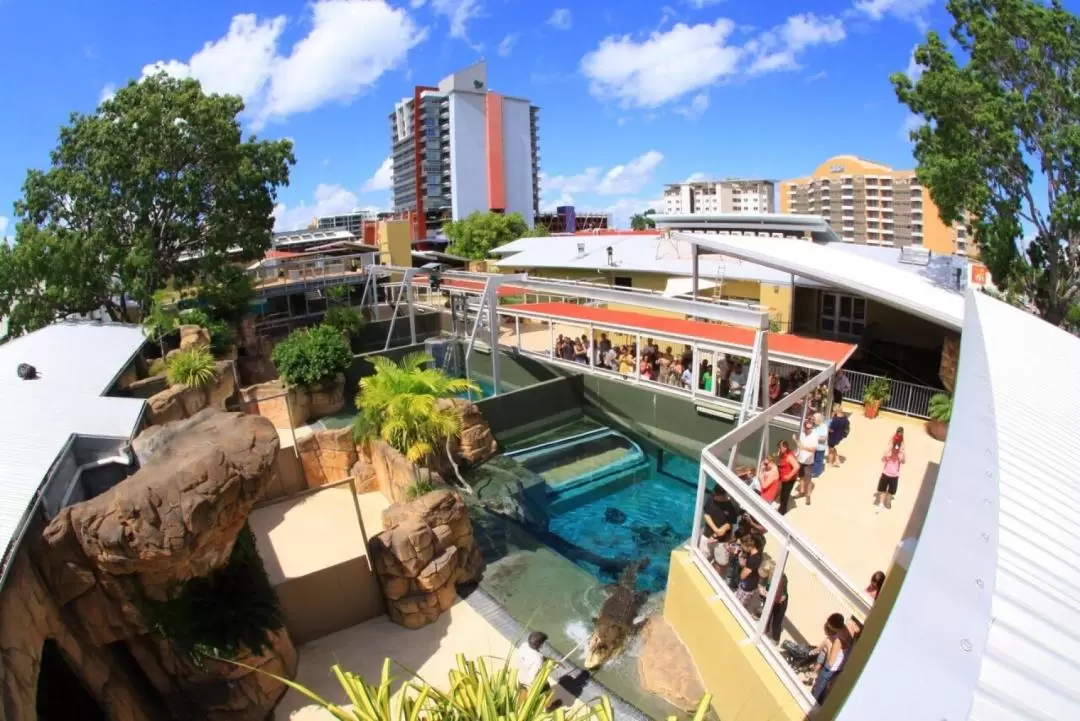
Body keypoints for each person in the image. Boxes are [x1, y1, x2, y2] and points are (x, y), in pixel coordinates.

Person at [811, 613, 853, 704]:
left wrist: (827, 645)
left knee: (817, 693)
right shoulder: (849, 628)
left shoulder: (838, 640)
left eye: (829, 625)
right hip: (839, 668)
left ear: (834, 626)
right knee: (825, 690)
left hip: (830, 670)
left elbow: (830, 662)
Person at [698, 485, 736, 569]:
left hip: (722, 540)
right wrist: (715, 530)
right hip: (707, 535)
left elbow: (729, 524)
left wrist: (715, 535)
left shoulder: (732, 505)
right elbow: (707, 515)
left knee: (721, 563)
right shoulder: (711, 498)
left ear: (723, 496)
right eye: (713, 494)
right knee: (703, 558)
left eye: (715, 495)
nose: (713, 497)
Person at [758, 559, 789, 643]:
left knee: (777, 621)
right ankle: (764, 629)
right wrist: (761, 588)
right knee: (766, 615)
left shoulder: (781, 579)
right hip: (769, 597)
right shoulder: (766, 575)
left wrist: (766, 594)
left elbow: (779, 598)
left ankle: (775, 638)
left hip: (779, 602)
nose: (763, 577)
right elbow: (761, 582)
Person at [734, 533, 764, 614]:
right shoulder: (756, 554)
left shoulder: (754, 559)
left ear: (749, 546)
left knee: (737, 606)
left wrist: (743, 565)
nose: (742, 548)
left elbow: (742, 576)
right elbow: (745, 565)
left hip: (746, 588)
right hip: (749, 585)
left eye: (743, 546)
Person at [875, 439, 905, 511]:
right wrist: (886, 457)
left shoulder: (900, 455)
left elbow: (903, 462)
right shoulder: (888, 452)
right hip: (885, 473)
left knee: (891, 492)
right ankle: (881, 503)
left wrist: (901, 458)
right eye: (894, 449)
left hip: (894, 476)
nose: (895, 451)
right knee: (882, 490)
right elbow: (882, 460)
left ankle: (888, 502)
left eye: (897, 450)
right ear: (892, 447)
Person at [794, 419, 818, 506]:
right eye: (806, 427)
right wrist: (796, 442)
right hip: (800, 460)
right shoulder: (802, 434)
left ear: (812, 427)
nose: (807, 429)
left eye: (809, 428)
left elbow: (813, 449)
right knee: (801, 477)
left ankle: (808, 495)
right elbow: (799, 445)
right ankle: (801, 492)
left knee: (808, 479)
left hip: (808, 462)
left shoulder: (814, 436)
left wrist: (804, 448)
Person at [775, 440, 801, 515]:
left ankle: (782, 511)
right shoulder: (782, 454)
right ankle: (781, 508)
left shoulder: (789, 456)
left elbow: (797, 466)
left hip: (789, 479)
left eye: (780, 447)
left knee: (785, 495)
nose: (779, 449)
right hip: (783, 478)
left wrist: (789, 476)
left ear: (785, 447)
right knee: (782, 493)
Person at [812, 412, 829, 478]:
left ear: (819, 419)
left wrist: (814, 437)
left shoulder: (824, 427)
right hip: (814, 447)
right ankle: (812, 471)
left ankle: (815, 473)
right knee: (813, 460)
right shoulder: (815, 426)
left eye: (814, 418)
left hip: (820, 448)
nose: (813, 420)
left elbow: (824, 438)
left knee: (818, 460)